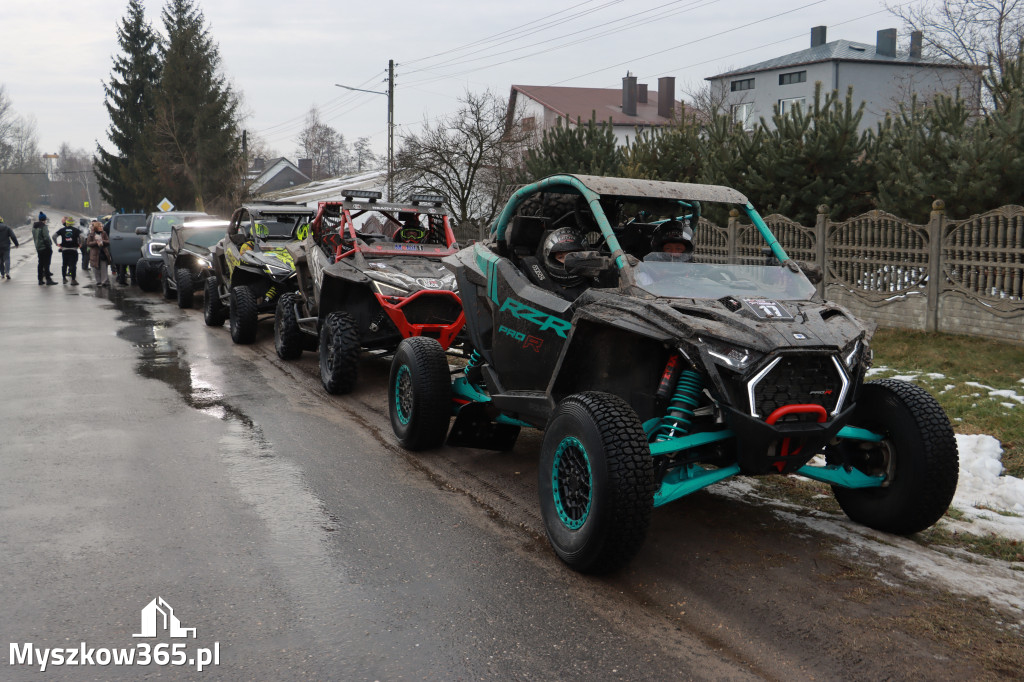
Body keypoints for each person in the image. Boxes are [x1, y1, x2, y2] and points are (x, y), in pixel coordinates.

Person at [53, 216, 83, 285]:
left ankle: (64, 279)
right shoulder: (76, 230)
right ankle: (73, 280)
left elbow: (54, 236)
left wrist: (56, 243)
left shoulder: (62, 230)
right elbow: (82, 236)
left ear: (66, 223)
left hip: (65, 250)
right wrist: (81, 243)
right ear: (72, 223)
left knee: (64, 264)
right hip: (73, 250)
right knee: (73, 265)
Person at [31, 212, 57, 285]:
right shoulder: (43, 227)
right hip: (45, 247)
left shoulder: (34, 227)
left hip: (38, 247)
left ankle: (40, 280)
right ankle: (48, 280)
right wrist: (49, 245)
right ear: (44, 219)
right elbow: (46, 237)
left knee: (40, 264)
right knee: (46, 264)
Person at [86, 220, 112, 287]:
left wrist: (102, 241)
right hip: (95, 253)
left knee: (104, 268)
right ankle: (98, 281)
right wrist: (96, 242)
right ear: (96, 227)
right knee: (96, 268)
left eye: (102, 226)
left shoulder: (104, 233)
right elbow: (88, 243)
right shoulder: (91, 234)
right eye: (100, 226)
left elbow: (108, 241)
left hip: (103, 252)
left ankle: (104, 282)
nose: (101, 227)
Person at [0, 215, 19, 280]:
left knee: (0, 261)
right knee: (7, 259)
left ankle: (2, 274)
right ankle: (7, 272)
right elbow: (13, 236)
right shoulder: (7, 227)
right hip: (6, 246)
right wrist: (16, 244)